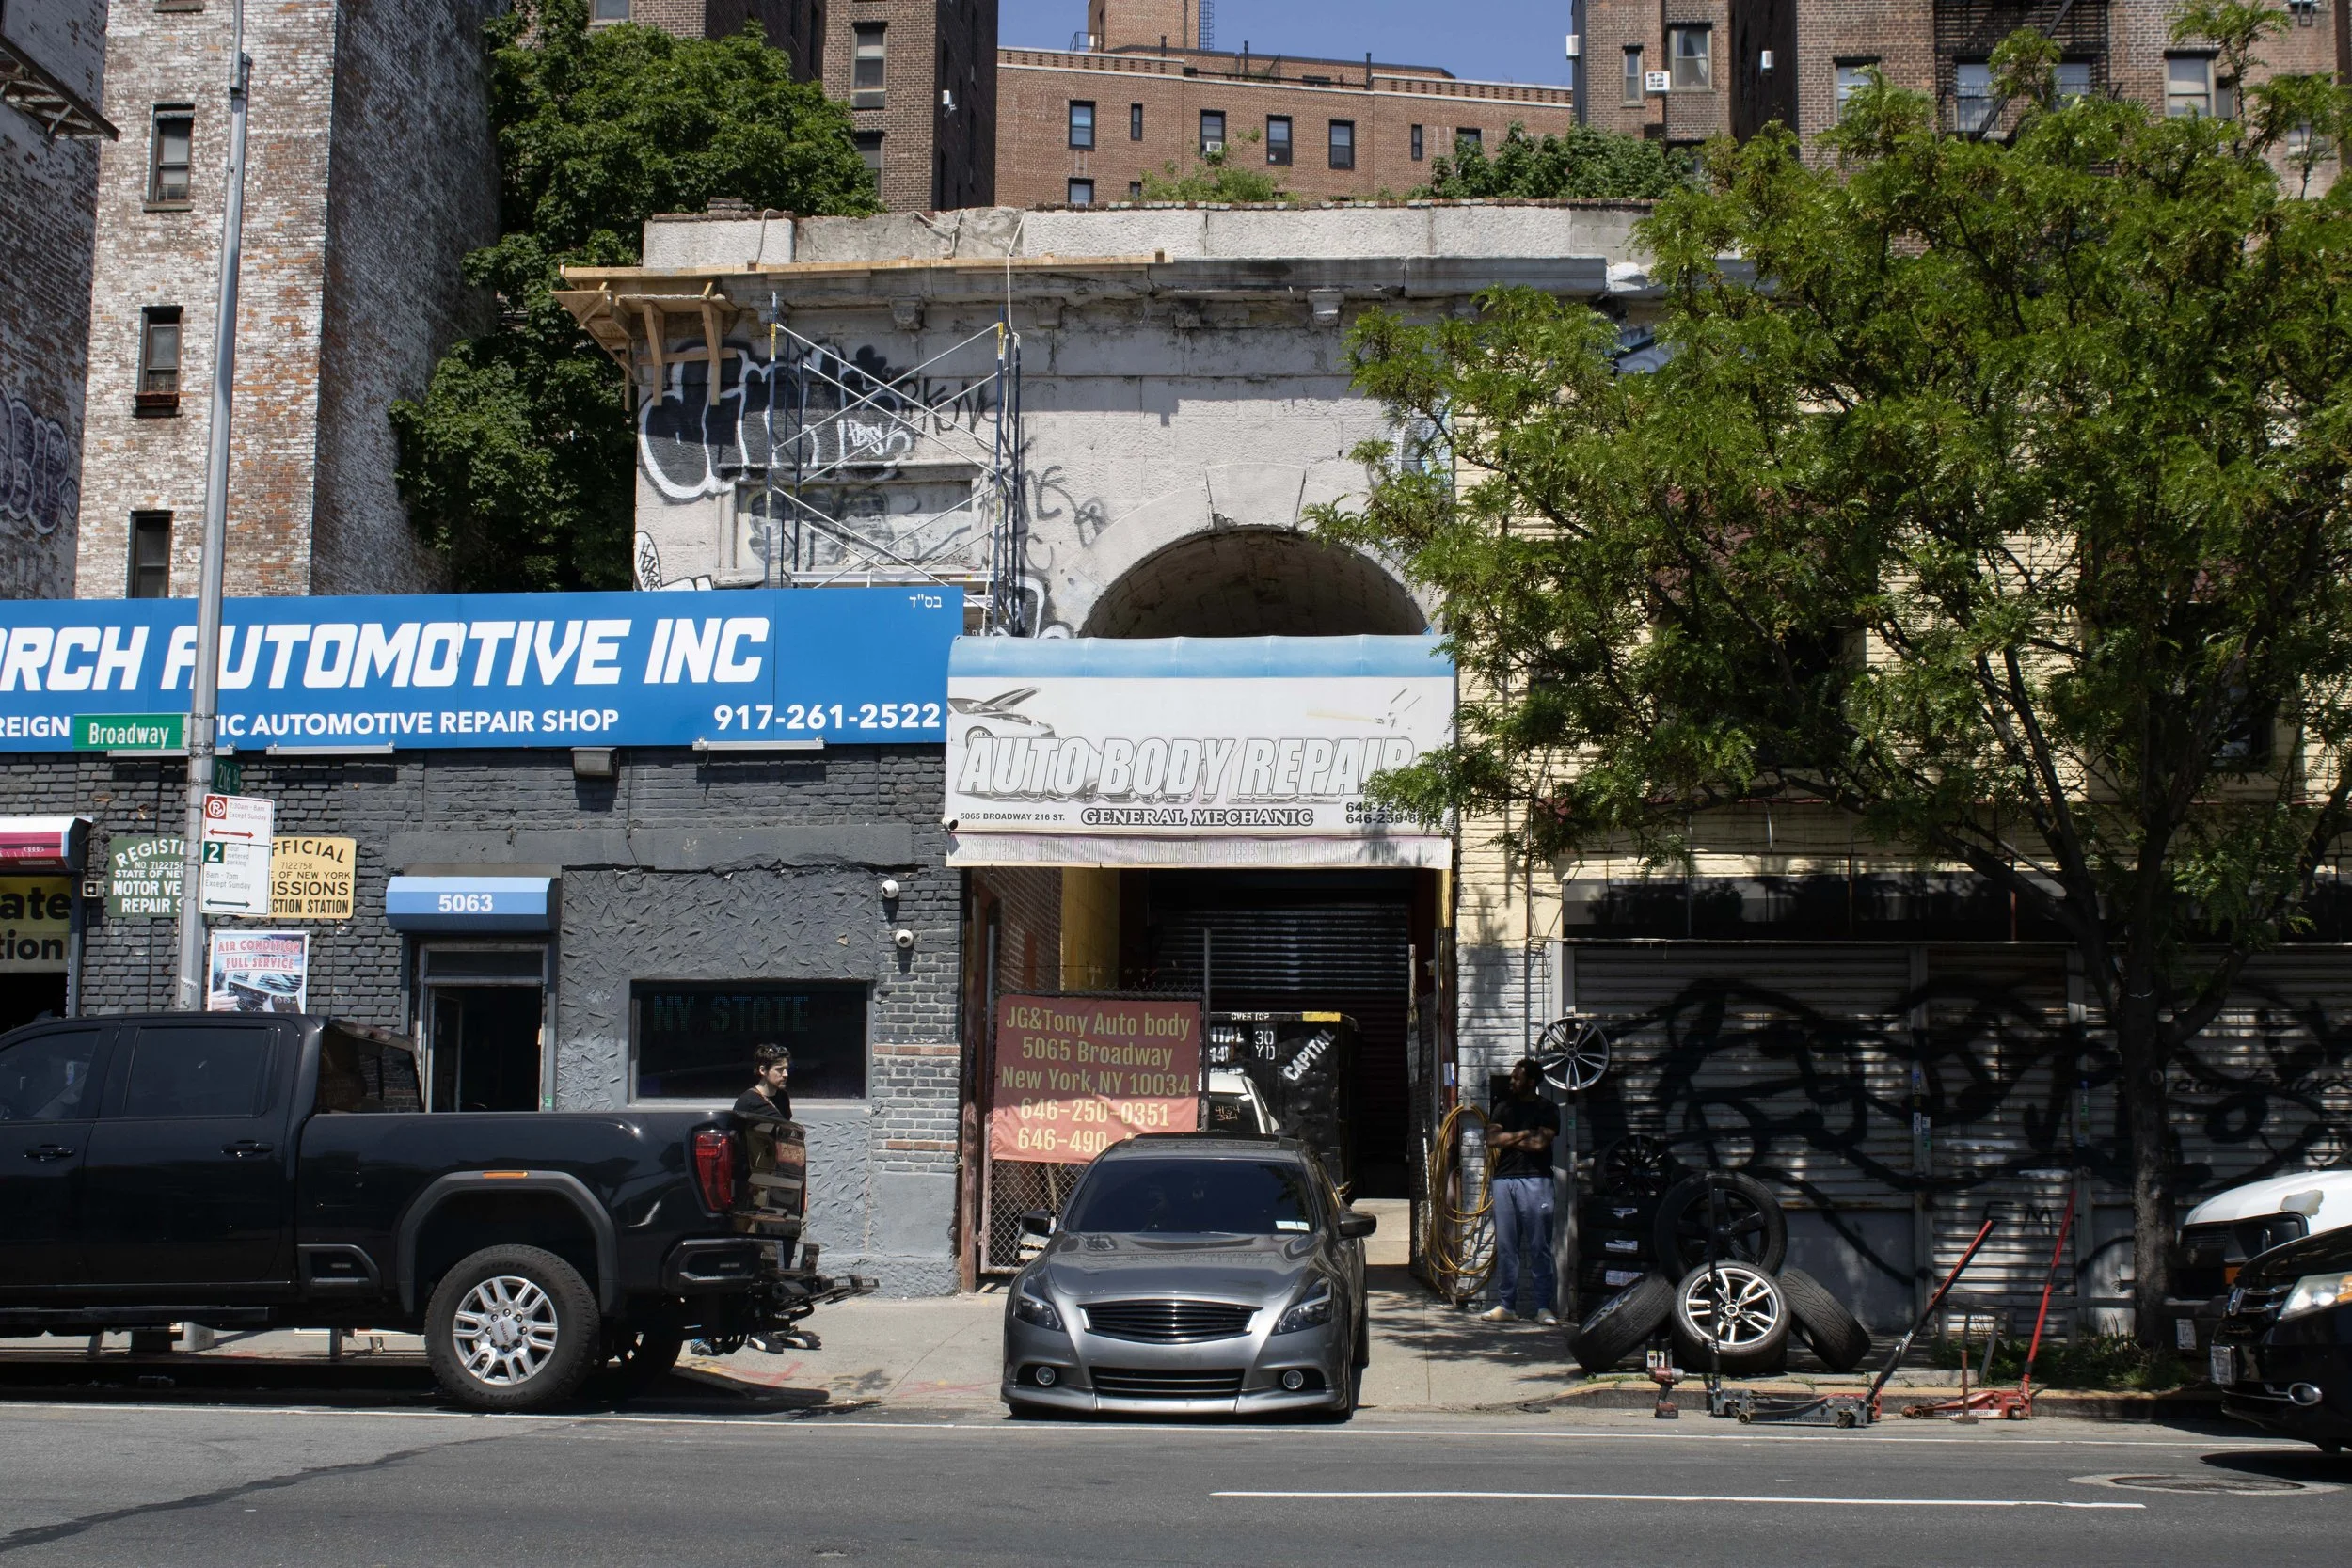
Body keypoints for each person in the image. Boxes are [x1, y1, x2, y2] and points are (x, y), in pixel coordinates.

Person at [1481, 1058, 1560, 1324]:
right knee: (1506, 1246)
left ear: (1531, 1082)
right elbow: (1492, 1139)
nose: (1512, 1081)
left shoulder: (1548, 1109)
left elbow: (1540, 1145)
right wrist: (1525, 1133)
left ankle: (1543, 1307)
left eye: (1517, 1078)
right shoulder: (1503, 1107)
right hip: (1504, 1180)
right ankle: (1507, 1306)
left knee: (1539, 1246)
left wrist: (1510, 1139)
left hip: (1537, 1180)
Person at [735, 1042, 793, 1121]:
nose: (785, 1074)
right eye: (779, 1069)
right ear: (762, 1070)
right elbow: (734, 1131)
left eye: (786, 1069)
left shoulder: (783, 1096)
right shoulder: (747, 1102)